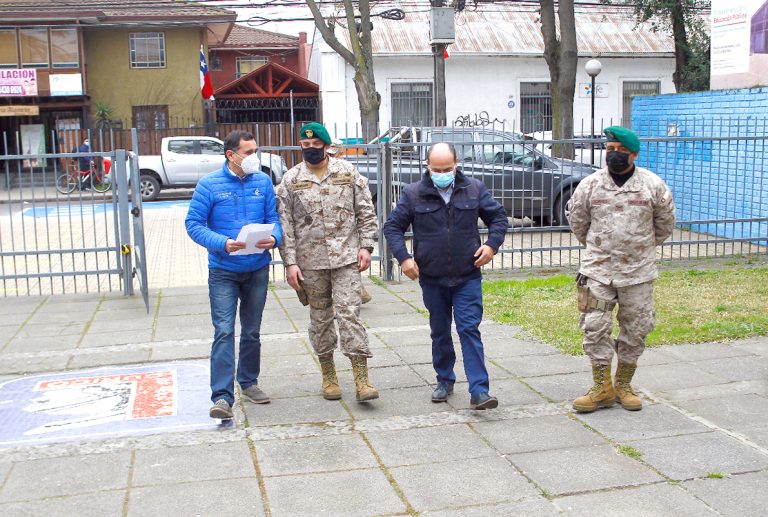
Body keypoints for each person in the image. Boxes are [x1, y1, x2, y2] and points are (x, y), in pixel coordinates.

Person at [383, 142, 508, 410]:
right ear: (427, 167)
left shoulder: (473, 189)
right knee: (440, 332)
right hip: (432, 277)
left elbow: (498, 218)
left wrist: (491, 245)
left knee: (468, 329)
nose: (442, 173)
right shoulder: (413, 193)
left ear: (456, 165)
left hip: (467, 275)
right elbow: (393, 226)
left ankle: (479, 391)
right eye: (437, 169)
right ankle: (444, 379)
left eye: (447, 169)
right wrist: (404, 258)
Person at [566, 126, 676, 413]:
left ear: (634, 154)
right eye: (610, 150)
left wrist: (637, 248)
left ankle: (624, 385)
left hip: (637, 273)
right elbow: (578, 223)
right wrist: (601, 247)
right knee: (594, 327)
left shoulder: (652, 186)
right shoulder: (590, 185)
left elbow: (664, 225)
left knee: (636, 329)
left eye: (621, 151)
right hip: (598, 271)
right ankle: (601, 388)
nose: (614, 155)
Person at [276, 122, 379, 402]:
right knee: (320, 319)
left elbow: (366, 211)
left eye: (315, 145)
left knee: (349, 315)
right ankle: (329, 375)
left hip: (346, 257)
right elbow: (285, 225)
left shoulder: (347, 173)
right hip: (311, 262)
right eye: (305, 145)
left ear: (326, 145)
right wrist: (290, 263)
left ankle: (361, 379)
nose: (310, 149)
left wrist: (366, 246)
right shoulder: (290, 179)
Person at [185, 130, 282, 420]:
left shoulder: (263, 182)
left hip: (257, 268)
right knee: (224, 330)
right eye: (248, 152)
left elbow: (274, 220)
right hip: (224, 270)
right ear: (231, 154)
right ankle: (222, 397)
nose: (254, 157)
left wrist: (274, 238)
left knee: (252, 330)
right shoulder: (209, 185)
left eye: (256, 151)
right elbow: (193, 224)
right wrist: (222, 243)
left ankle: (249, 382)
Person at [326, 137, 372, 304]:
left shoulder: (348, 172)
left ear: (341, 153)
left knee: (346, 269)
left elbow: (364, 208)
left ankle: (355, 296)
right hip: (326, 233)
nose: (330, 156)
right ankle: (359, 294)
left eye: (333, 153)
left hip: (345, 233)